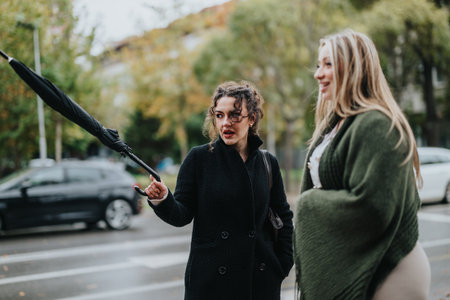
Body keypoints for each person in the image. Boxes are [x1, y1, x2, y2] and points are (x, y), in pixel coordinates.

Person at [293, 29, 431, 300]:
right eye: (319, 64)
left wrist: (308, 206)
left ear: (353, 67)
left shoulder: (376, 124)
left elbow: (374, 205)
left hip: (390, 270)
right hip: (360, 264)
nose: (318, 73)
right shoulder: (336, 124)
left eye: (328, 64)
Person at [145, 80, 294, 300]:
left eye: (234, 115)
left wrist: (282, 263)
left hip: (260, 281)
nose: (226, 123)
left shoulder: (267, 163)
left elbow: (283, 216)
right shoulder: (199, 159)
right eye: (219, 115)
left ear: (251, 119)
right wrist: (163, 198)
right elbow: (181, 214)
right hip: (211, 284)